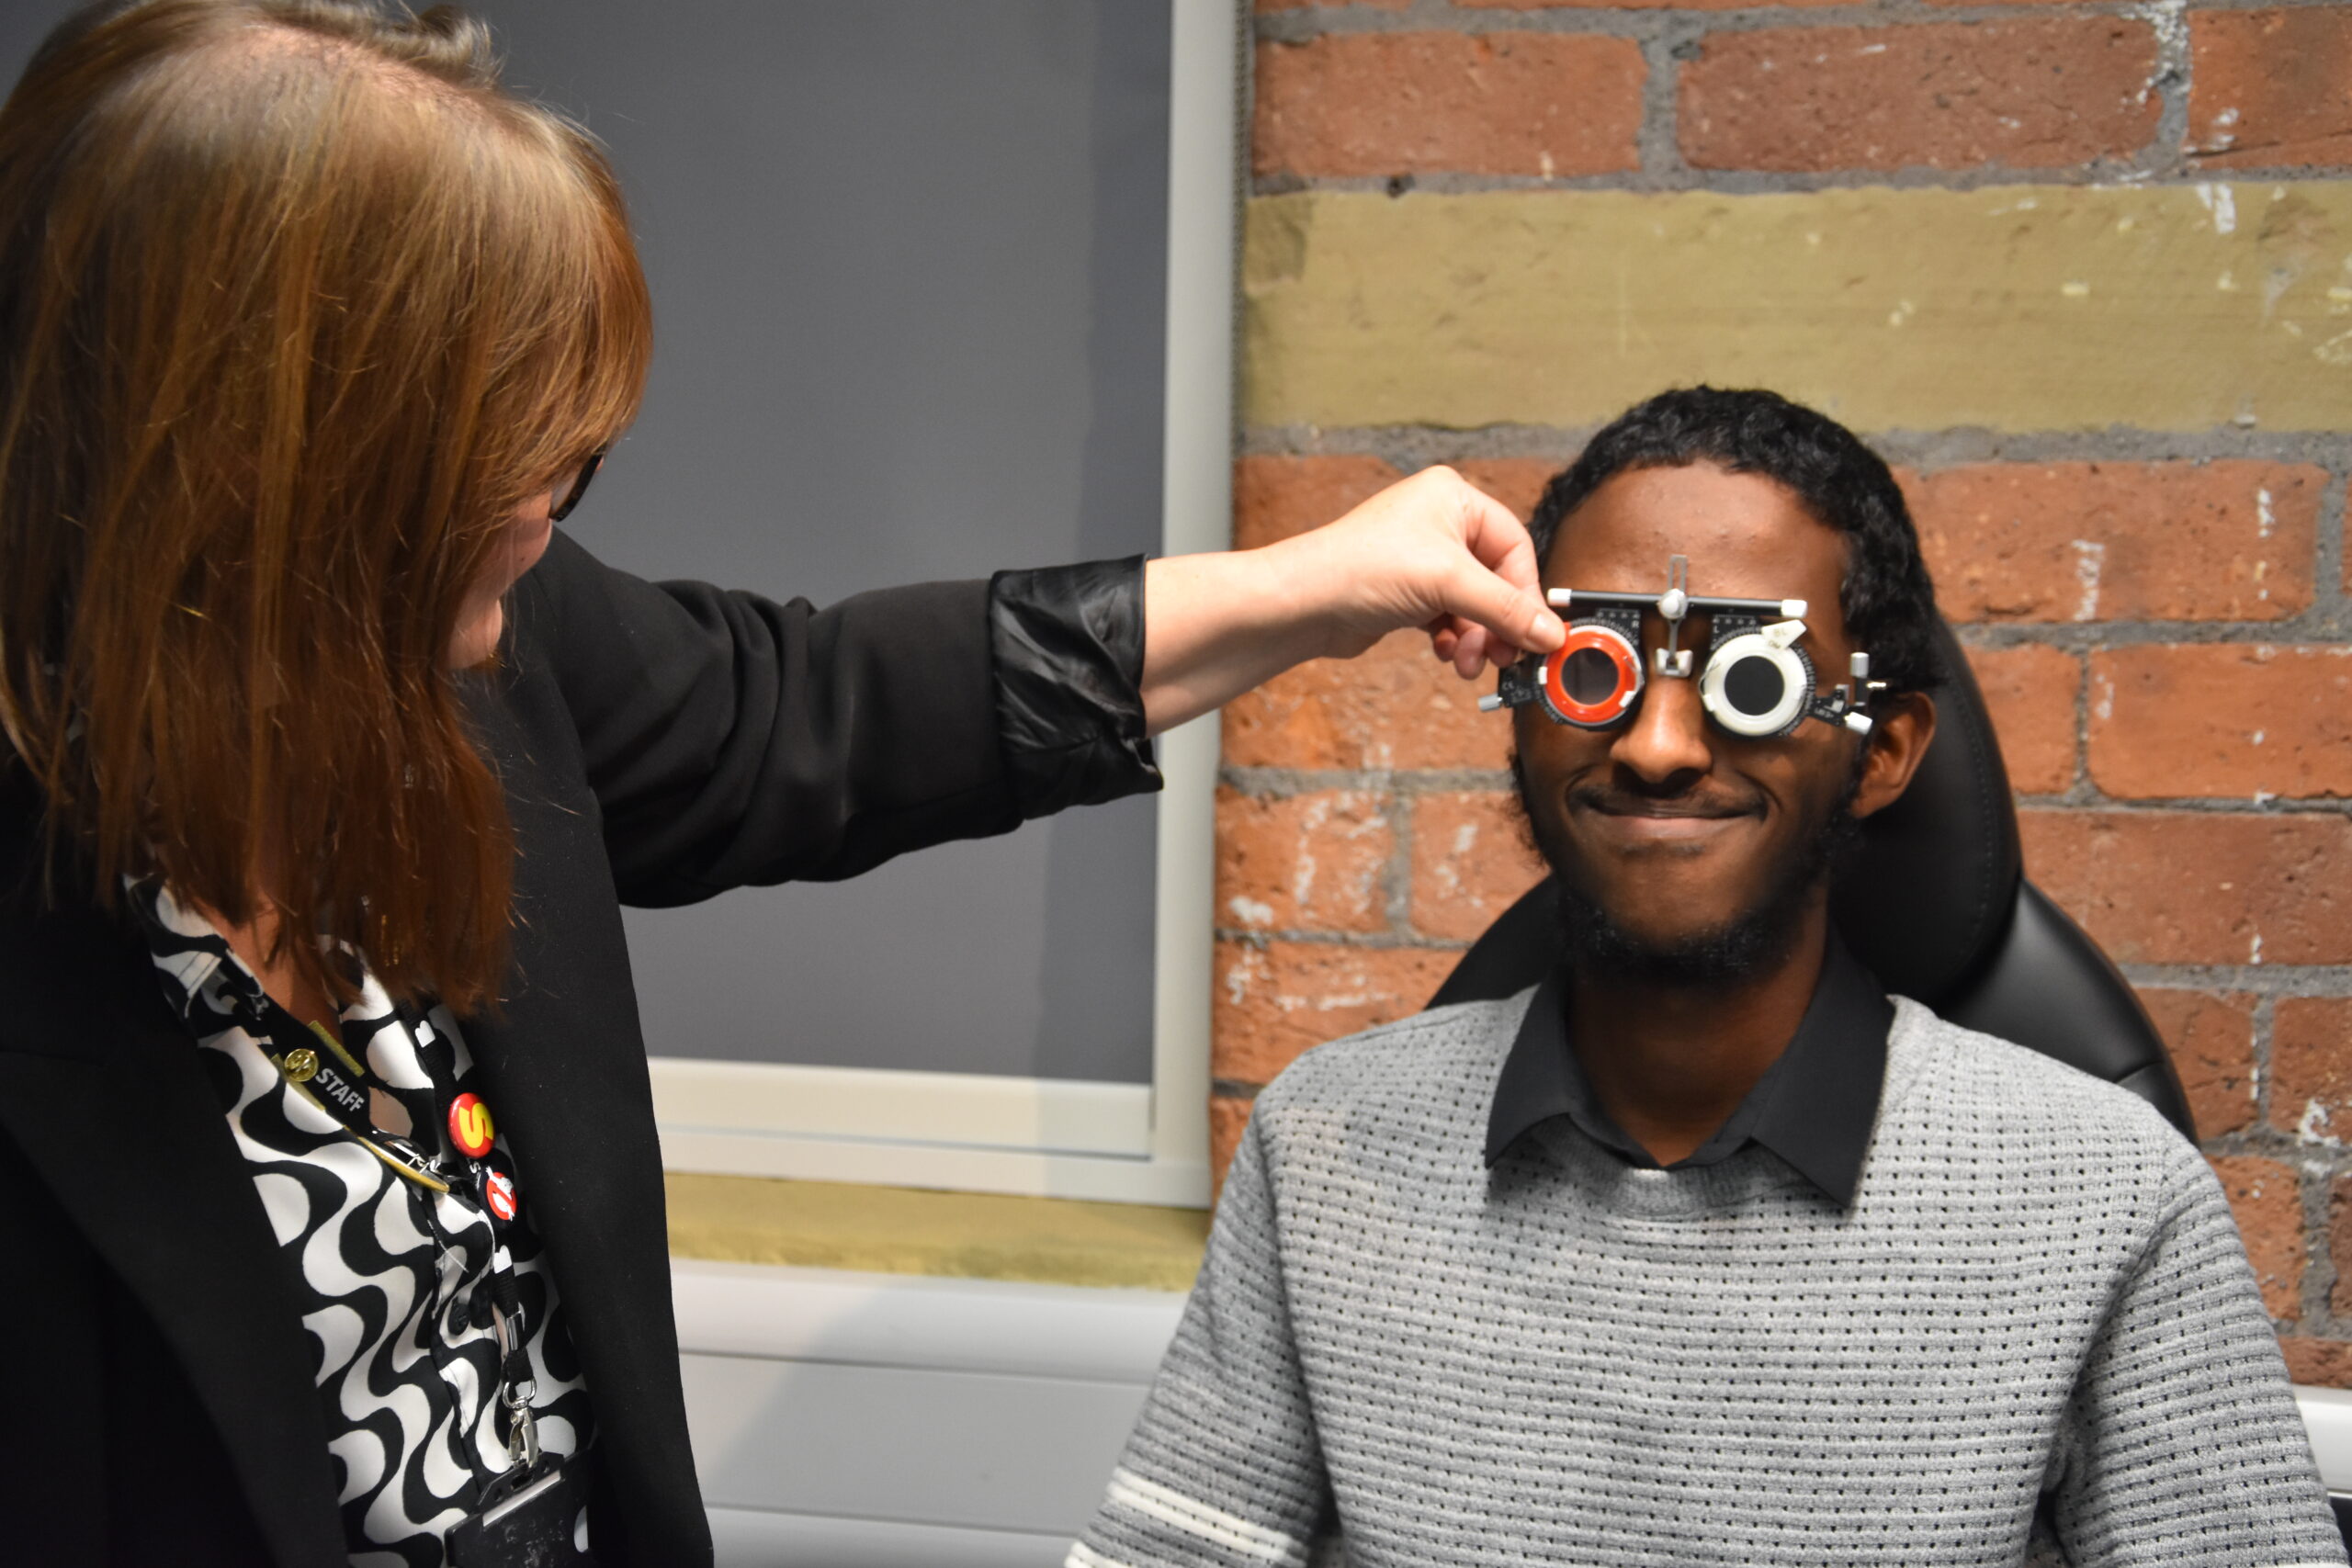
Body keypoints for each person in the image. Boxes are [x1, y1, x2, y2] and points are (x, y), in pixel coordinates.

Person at [0, 4, 1570, 1565]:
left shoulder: (470, 649)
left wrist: (1317, 584)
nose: (551, 506)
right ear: (262, 466)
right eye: (489, 449)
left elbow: (807, 715)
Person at [1071, 388, 2343, 1568]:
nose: (1661, 745)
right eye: (1596, 670)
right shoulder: (1327, 1148)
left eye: (1749, 681)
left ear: (1886, 751)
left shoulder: (2106, 1199)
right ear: (1518, 697)